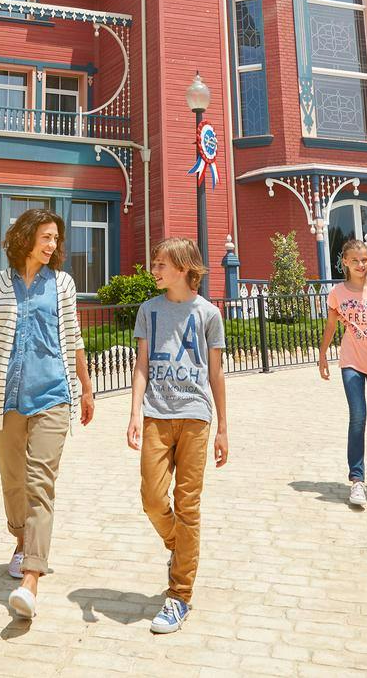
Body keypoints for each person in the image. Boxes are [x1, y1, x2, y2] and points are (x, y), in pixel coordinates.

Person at [0, 208, 96, 620]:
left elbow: (73, 335)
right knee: (13, 481)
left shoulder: (62, 284)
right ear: (25, 238)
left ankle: (31, 577)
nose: (52, 245)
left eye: (56, 239)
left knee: (40, 483)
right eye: (46, 237)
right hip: (4, 396)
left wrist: (87, 385)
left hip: (53, 395)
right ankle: (21, 540)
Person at [127, 237, 228, 635]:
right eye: (154, 263)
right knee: (152, 499)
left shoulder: (208, 314)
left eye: (161, 264)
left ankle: (179, 595)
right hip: (156, 413)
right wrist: (134, 412)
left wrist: (224, 428)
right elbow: (141, 365)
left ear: (184, 268)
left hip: (196, 418)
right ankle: (179, 546)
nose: (154, 270)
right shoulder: (148, 311)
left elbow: (216, 374)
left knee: (188, 506)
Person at [318, 235, 367, 505]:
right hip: (351, 361)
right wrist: (323, 354)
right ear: (345, 263)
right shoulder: (337, 293)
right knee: (358, 417)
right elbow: (331, 326)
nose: (361, 265)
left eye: (364, 260)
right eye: (355, 261)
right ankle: (357, 479)